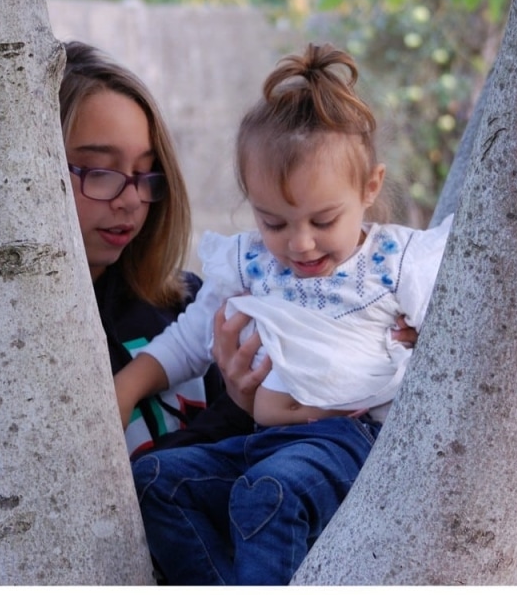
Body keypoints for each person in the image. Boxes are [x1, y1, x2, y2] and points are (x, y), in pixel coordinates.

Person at [118, 42, 453, 585]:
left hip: (346, 446)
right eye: (274, 222)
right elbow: (190, 339)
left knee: (268, 493)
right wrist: (128, 387)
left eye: (323, 221)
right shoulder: (249, 263)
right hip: (261, 443)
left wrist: (423, 340)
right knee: (155, 479)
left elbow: (459, 352)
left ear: (370, 188)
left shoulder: (395, 263)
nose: (299, 243)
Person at [58, 40, 257, 458]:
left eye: (146, 173)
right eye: (101, 171)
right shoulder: (24, 344)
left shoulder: (192, 305)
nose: (131, 199)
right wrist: (237, 410)